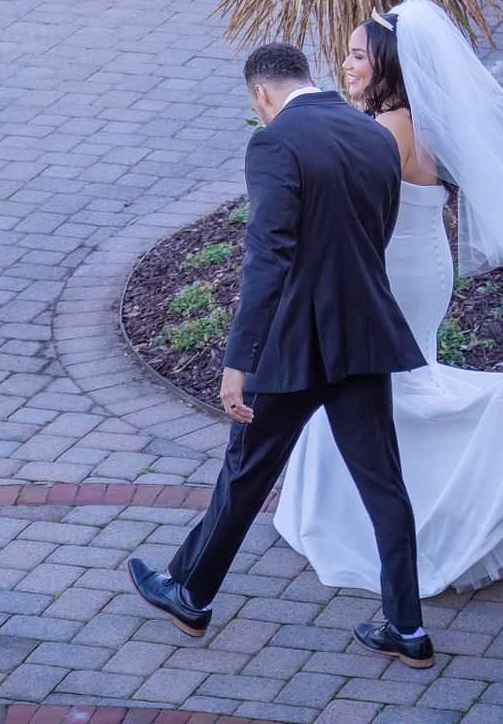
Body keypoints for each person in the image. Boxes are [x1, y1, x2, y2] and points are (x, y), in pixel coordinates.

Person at [274, 0, 503, 595]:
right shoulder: (418, 118)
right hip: (422, 261)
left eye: (360, 56)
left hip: (395, 269)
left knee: (387, 387)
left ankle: (428, 515)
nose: (348, 64)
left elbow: (358, 214)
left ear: (388, 63)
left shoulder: (386, 129)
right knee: (403, 376)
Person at [127, 42, 436, 668]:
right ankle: (408, 628)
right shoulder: (376, 136)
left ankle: (190, 593)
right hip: (364, 338)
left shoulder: (274, 145)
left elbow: (268, 258)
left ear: (261, 94)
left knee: (246, 472)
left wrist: (237, 363)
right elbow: (373, 235)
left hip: (296, 347)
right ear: (310, 77)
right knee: (385, 487)